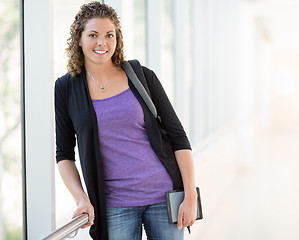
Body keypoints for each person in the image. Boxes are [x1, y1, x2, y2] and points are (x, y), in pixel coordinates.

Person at [55, 2, 197, 240]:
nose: (103, 42)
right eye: (93, 35)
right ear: (78, 39)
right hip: (113, 206)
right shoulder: (66, 88)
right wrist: (81, 198)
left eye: (109, 35)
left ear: (117, 38)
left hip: (164, 197)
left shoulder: (141, 76)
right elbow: (64, 154)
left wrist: (190, 195)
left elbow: (178, 137)